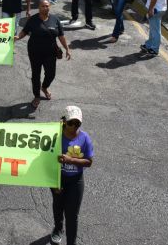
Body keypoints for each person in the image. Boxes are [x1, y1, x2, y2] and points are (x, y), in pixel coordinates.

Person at [49, 105, 94, 245]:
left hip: (76, 181)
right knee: (58, 206)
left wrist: (71, 160)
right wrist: (53, 183)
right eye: (70, 123)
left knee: (72, 215)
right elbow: (46, 159)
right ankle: (58, 229)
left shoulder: (85, 138)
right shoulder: (54, 136)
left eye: (77, 124)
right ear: (63, 121)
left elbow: (89, 162)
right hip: (58, 178)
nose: (74, 126)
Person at [17, 0, 70, 108]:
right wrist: (18, 37)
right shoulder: (33, 19)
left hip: (50, 52)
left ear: (49, 7)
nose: (45, 8)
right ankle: (37, 96)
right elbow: (25, 31)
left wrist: (67, 49)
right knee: (36, 75)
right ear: (39, 7)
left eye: (47, 6)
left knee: (51, 74)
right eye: (43, 6)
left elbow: (61, 36)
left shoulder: (55, 19)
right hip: (34, 52)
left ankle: (44, 87)